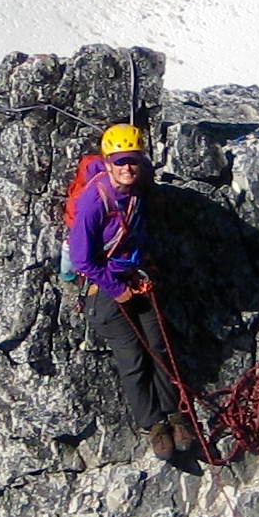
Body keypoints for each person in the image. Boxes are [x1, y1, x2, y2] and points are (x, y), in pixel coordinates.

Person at [65, 124, 195, 463]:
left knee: (159, 346)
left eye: (133, 161)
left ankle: (175, 414)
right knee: (133, 357)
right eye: (120, 162)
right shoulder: (95, 200)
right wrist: (118, 289)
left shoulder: (139, 188)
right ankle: (152, 423)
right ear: (108, 163)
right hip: (106, 287)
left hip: (135, 277)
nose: (127, 168)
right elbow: (82, 259)